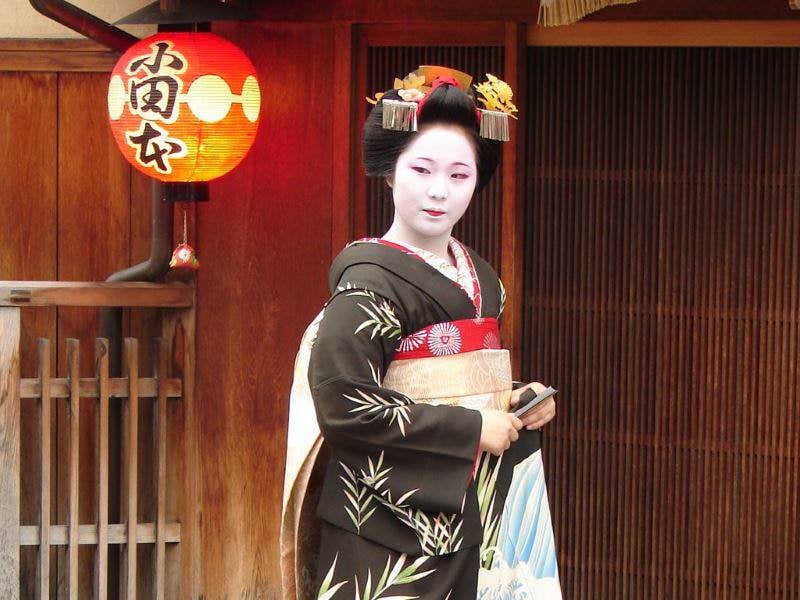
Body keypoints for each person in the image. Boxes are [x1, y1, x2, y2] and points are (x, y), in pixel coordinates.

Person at [281, 67, 561, 600]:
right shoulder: (368, 285)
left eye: (459, 175)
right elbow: (344, 405)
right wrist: (471, 428)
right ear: (390, 172)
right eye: (421, 169)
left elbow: (459, 380)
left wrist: (514, 400)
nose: (439, 191)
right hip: (385, 522)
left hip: (470, 508)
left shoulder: (482, 279)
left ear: (477, 181)